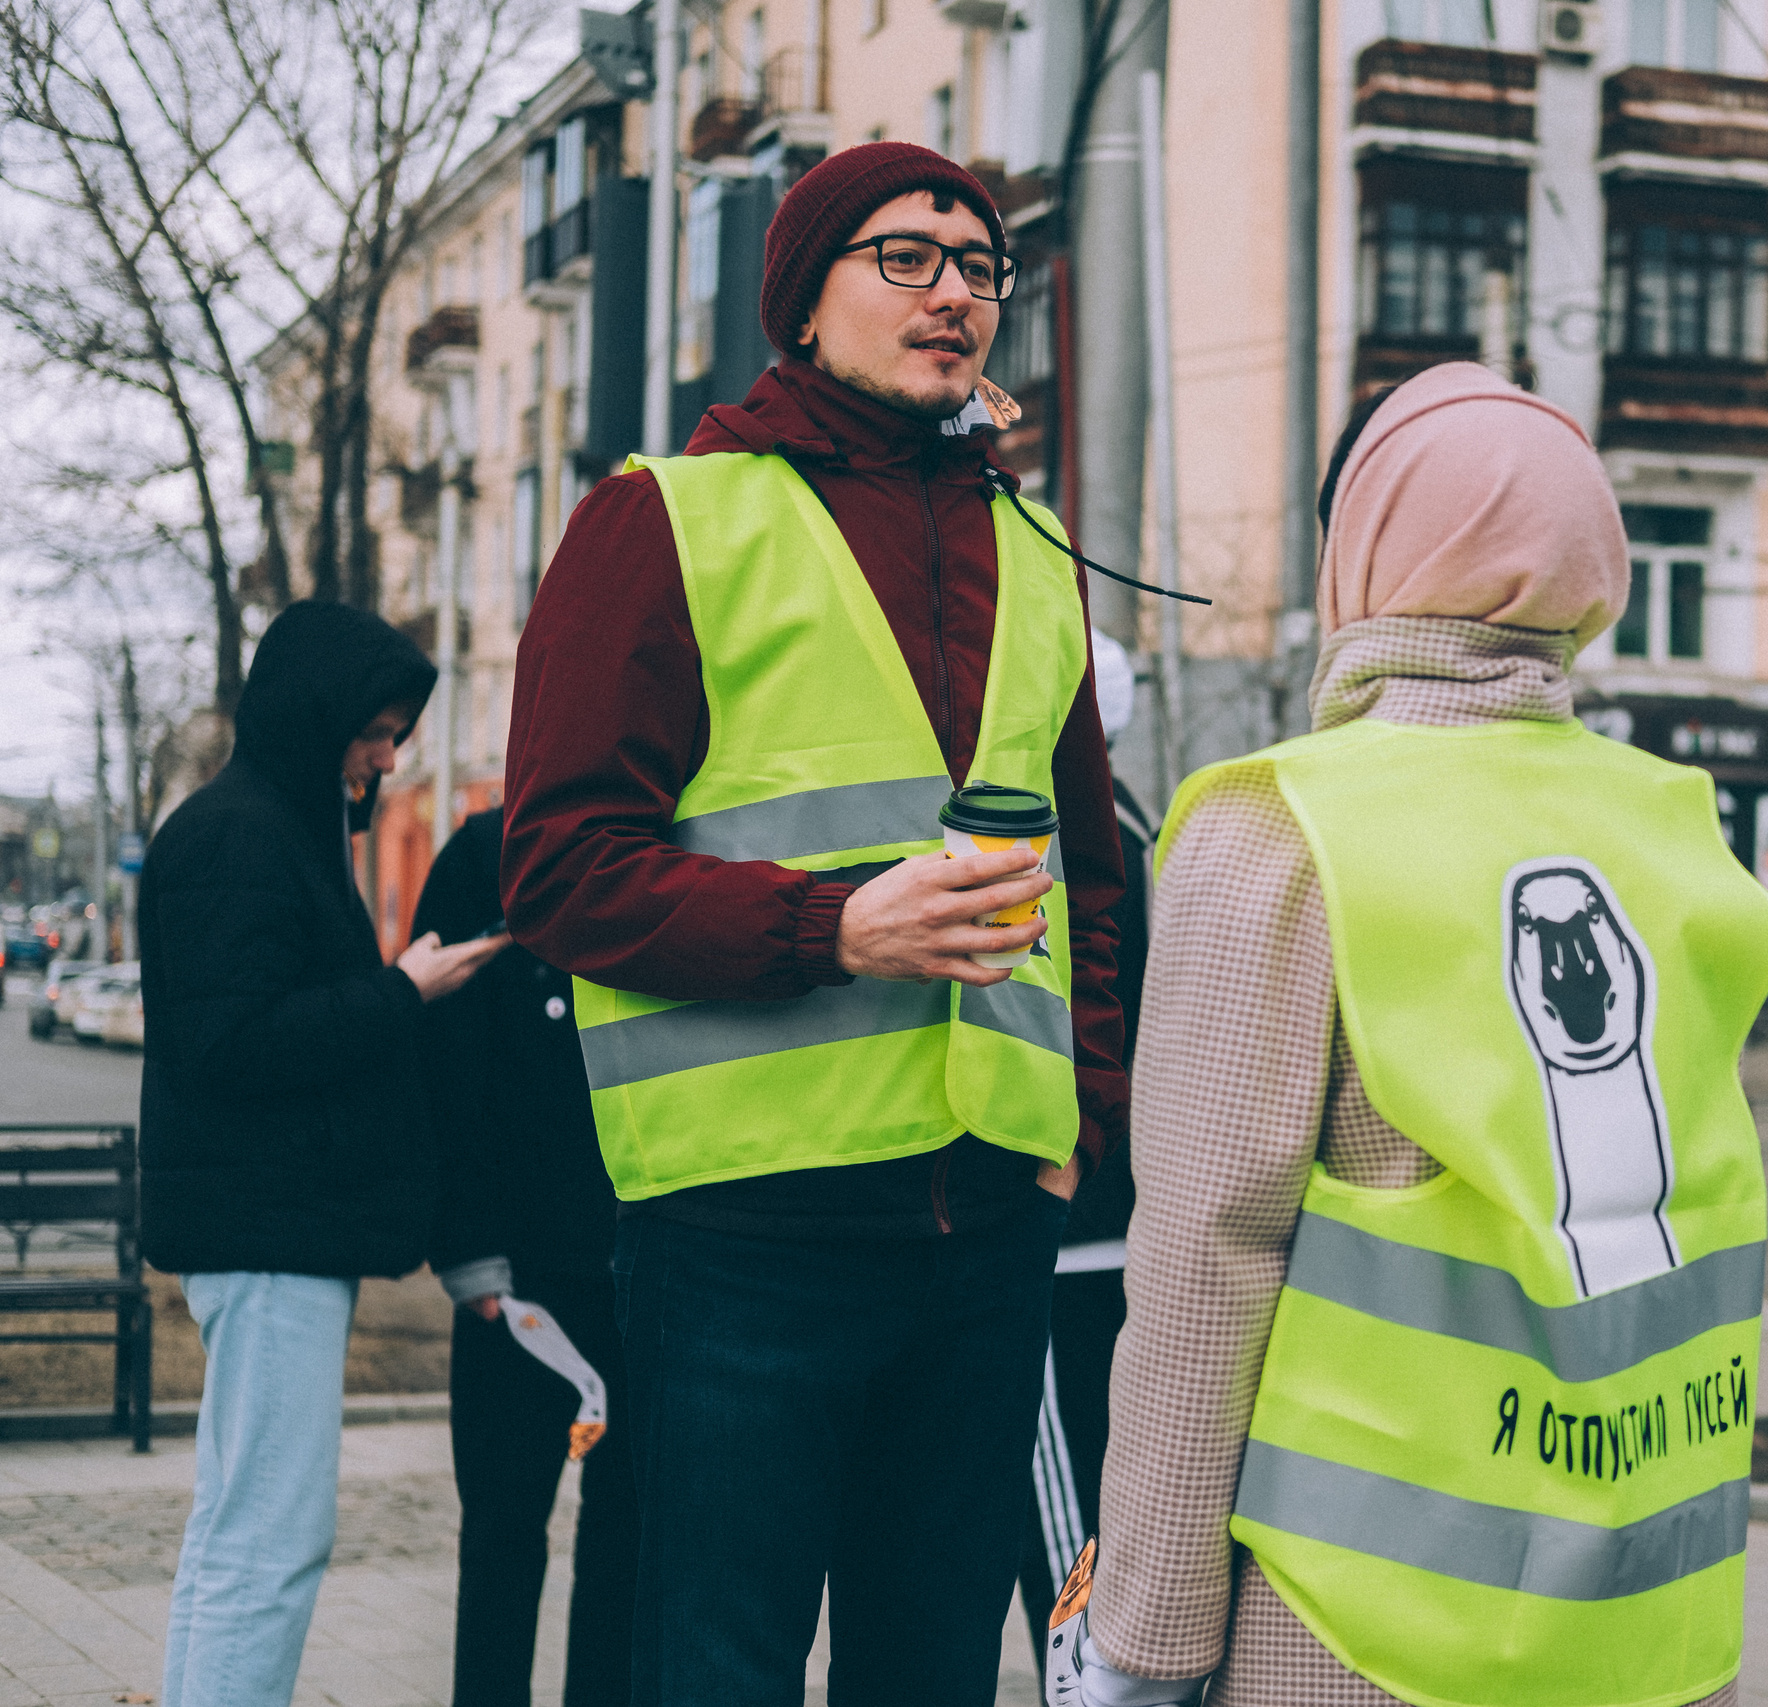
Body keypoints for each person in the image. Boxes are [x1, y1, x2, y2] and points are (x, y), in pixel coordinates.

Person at [1042, 361, 1768, 1707]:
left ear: (1369, 551)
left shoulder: (1286, 827)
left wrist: (1141, 1638)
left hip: (1357, 1622)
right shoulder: (1673, 825)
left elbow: (1208, 1256)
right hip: (1641, 1618)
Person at [500, 139, 1125, 1705]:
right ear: (803, 296)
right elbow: (561, 869)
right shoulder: (662, 520)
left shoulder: (1038, 549)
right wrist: (837, 927)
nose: (955, 294)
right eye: (903, 256)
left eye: (980, 264)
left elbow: (1095, 877)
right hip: (741, 1233)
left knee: (929, 1668)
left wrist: (1086, 1121)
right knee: (716, 1666)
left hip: (984, 1223)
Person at [140, 600, 505, 1707]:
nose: (386, 755)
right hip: (268, 1237)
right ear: (316, 712)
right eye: (375, 728)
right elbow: (230, 1044)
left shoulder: (271, 831)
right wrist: (404, 989)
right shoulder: (237, 837)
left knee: (240, 1529)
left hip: (274, 1231)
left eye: (396, 734)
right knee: (272, 1538)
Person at [414, 809, 637, 1707]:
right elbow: (442, 1053)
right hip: (514, 1291)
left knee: (627, 1543)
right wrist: (466, 1249)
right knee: (503, 1537)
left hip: (644, 1276)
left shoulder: (668, 834)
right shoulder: (486, 852)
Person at [1017, 630, 1152, 1658]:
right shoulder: (1150, 837)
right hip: (1123, 1227)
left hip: (1066, 1230)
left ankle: (1084, 1674)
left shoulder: (1061, 848)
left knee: (1067, 1521)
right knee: (1105, 1502)